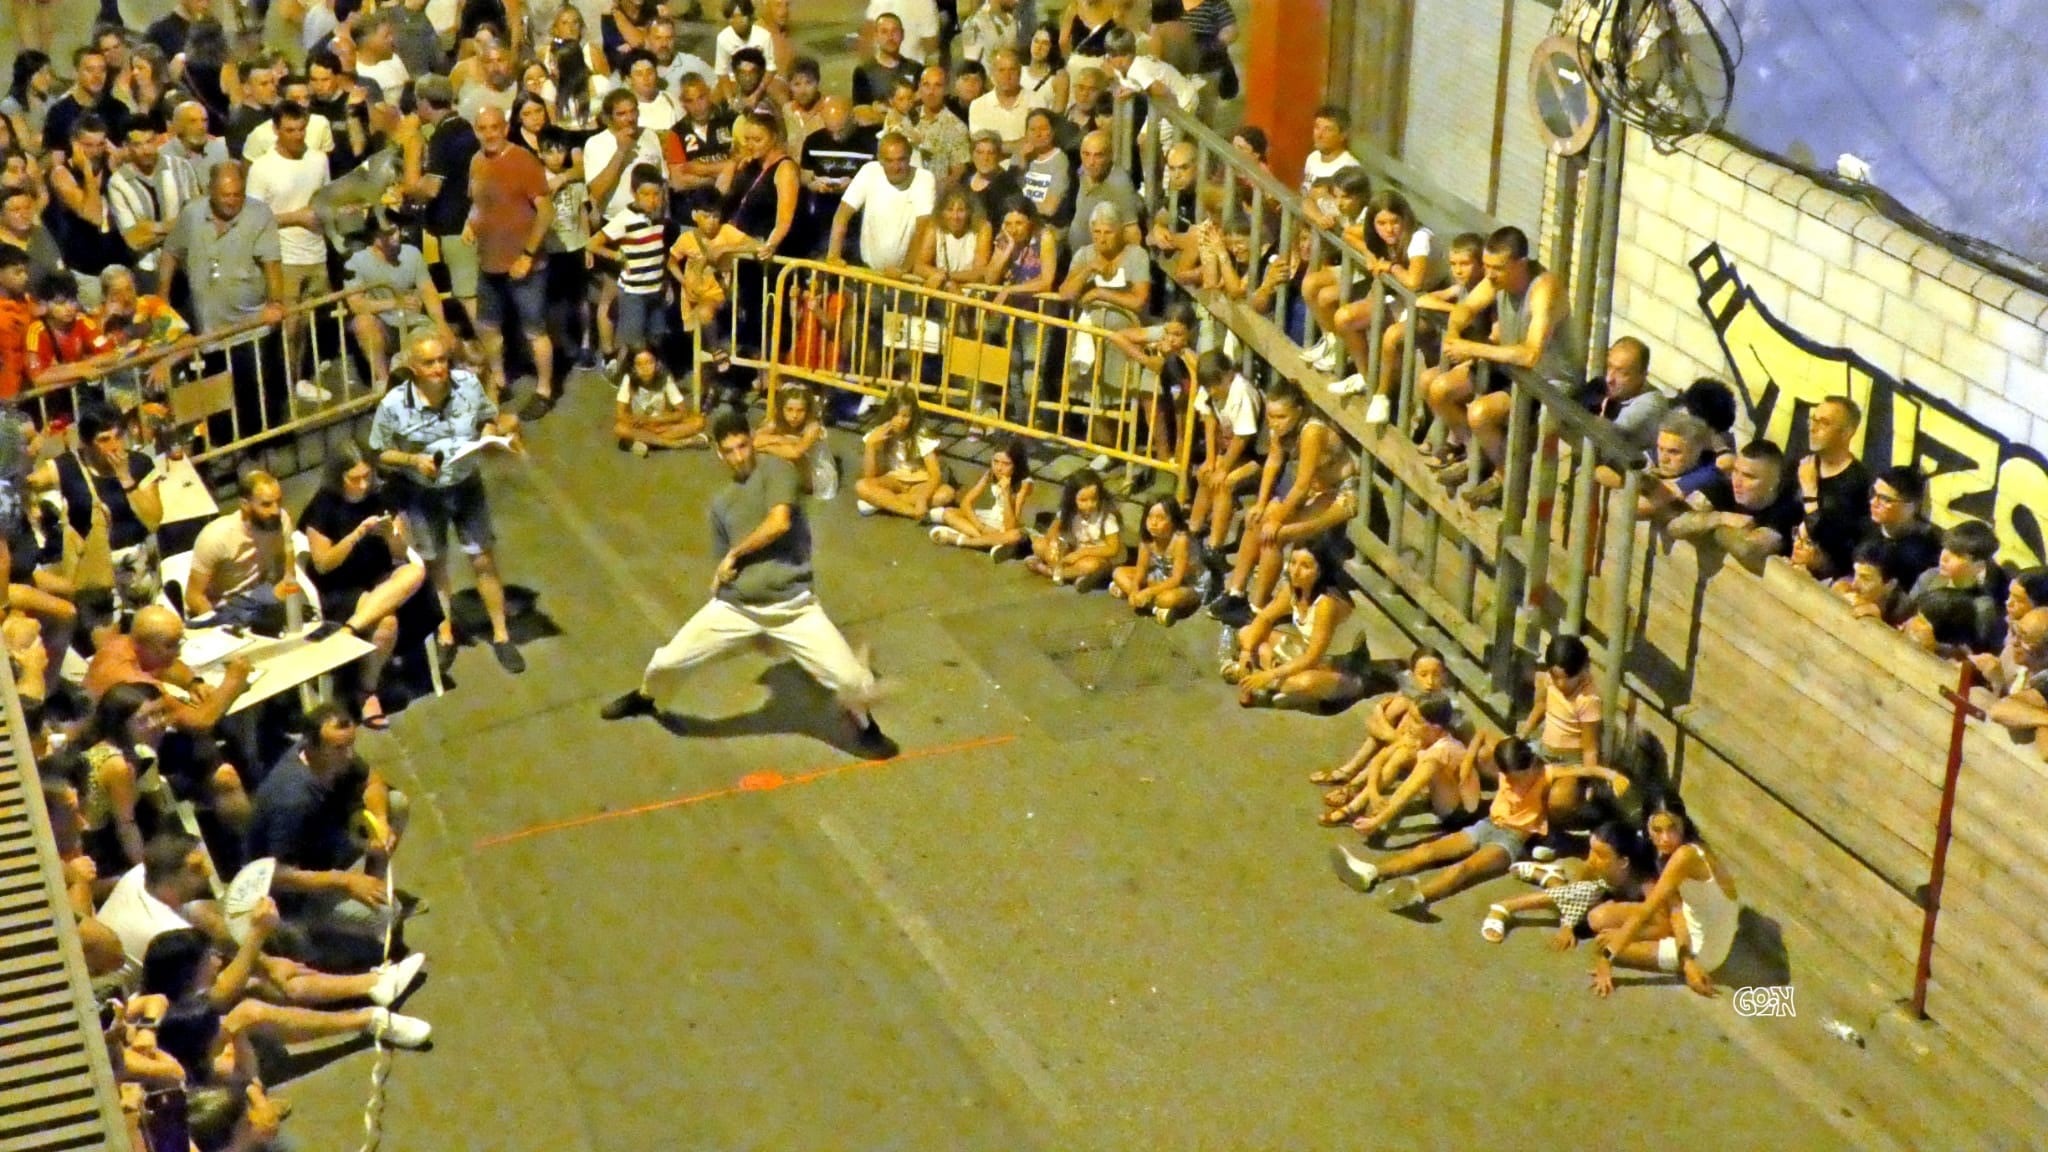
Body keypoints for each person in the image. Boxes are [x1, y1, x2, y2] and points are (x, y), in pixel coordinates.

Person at [598, 410, 898, 757]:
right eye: (730, 451)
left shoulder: (776, 471)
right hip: (737, 607)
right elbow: (725, 560)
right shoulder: (721, 506)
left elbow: (779, 522)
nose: (740, 456)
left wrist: (735, 554)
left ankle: (862, 720)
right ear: (719, 454)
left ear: (752, 440)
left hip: (795, 608)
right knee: (666, 661)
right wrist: (723, 575)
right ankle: (646, 698)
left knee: (853, 682)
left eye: (743, 446)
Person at [368, 331, 527, 673]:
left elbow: (488, 415)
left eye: (443, 360)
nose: (440, 368)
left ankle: (501, 635)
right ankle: (445, 633)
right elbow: (379, 451)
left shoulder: (467, 385)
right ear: (413, 367)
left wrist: (487, 432)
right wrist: (413, 461)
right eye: (430, 362)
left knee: (483, 560)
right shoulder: (394, 405)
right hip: (424, 492)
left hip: (466, 483)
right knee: (437, 564)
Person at [1331, 737, 1629, 915]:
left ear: (1530, 767)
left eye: (1515, 777)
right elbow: (1482, 736)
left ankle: (1418, 895)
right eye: (1506, 777)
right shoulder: (1505, 766)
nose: (1510, 783)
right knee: (1428, 850)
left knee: (1465, 869)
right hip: (1487, 824)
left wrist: (1611, 776)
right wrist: (1470, 757)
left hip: (1511, 841)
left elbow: (1585, 768)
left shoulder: (1545, 773)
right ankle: (1371, 872)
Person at [244, 701, 415, 964]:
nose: (348, 755)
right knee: (388, 913)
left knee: (396, 804)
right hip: (292, 895)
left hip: (325, 846)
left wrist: (380, 821)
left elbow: (372, 780)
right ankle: (311, 941)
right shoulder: (293, 798)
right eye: (338, 748)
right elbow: (276, 875)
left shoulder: (334, 757)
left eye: (351, 745)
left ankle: (372, 889)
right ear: (311, 746)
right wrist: (345, 881)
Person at [1423, 226, 1578, 507]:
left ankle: (1506, 475)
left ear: (1520, 264)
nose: (1490, 274)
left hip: (1545, 380)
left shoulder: (1544, 289)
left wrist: (1471, 348)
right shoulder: (1495, 280)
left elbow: (1531, 355)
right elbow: (1466, 309)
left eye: (1498, 268)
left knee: (1480, 413)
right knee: (1439, 389)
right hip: (1507, 364)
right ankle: (1477, 456)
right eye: (1487, 266)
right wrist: (1454, 334)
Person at [298, 442, 431, 727]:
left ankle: (351, 629)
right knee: (387, 624)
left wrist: (389, 535)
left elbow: (400, 553)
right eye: (354, 478)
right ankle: (366, 693)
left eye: (366, 476)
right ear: (339, 477)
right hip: (341, 586)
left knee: (415, 573)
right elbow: (324, 563)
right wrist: (357, 535)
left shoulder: (381, 496)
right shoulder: (324, 506)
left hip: (377, 578)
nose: (362, 484)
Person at [1588, 796, 1739, 998]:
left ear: (1684, 824)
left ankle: (1652, 944)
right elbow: (1677, 910)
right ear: (1647, 829)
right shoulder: (1677, 851)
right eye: (1657, 830)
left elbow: (1647, 909)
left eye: (1673, 828)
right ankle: (1653, 939)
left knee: (1606, 946)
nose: (1665, 838)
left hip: (1706, 950)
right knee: (1604, 923)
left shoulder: (1686, 856)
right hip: (1694, 929)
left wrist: (1606, 959)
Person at [467, 103, 556, 414]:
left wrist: (528, 255)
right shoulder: (476, 162)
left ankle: (544, 390)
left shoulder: (523, 161)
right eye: (483, 128)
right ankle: (499, 379)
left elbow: (546, 211)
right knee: (488, 325)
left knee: (535, 329)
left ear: (505, 128)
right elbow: (477, 201)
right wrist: (471, 224)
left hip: (524, 262)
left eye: (495, 127)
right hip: (489, 260)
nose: (490, 134)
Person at [1222, 544, 1359, 708]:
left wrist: (1269, 676)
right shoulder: (1294, 590)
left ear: (1320, 572)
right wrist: (1246, 652)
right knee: (1247, 633)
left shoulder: (1326, 603)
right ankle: (1264, 674)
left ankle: (1263, 679)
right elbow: (1264, 618)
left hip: (1339, 666)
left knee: (1304, 682)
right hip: (1306, 652)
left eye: (1305, 566)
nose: (1295, 571)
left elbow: (1312, 657)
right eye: (1293, 563)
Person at [344, 216, 455, 392]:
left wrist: (441, 323)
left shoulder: (411, 253)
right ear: (375, 235)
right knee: (362, 323)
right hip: (385, 327)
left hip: (414, 323)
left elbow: (428, 291)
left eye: (396, 230)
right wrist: (395, 302)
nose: (395, 236)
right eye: (388, 233)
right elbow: (356, 304)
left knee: (448, 341)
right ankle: (384, 381)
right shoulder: (356, 261)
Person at [184, 470, 300, 631]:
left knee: (301, 607)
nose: (275, 510)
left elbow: (288, 574)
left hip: (260, 596)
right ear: (245, 504)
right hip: (224, 608)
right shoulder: (216, 537)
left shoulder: (282, 520)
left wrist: (283, 594)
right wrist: (219, 630)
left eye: (278, 502)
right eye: (266, 504)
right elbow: (193, 596)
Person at [827, 132, 936, 277]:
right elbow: (842, 215)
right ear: (880, 159)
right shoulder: (869, 171)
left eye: (901, 160)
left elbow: (923, 227)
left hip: (907, 278)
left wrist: (903, 270)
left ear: (910, 157)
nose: (896, 166)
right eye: (890, 161)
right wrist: (833, 255)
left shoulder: (924, 178)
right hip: (870, 272)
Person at [1187, 350, 1260, 553]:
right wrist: (1211, 460)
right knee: (1205, 473)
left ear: (1227, 376)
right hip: (1232, 451)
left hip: (1255, 455)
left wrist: (1223, 468)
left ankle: (1214, 545)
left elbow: (1242, 438)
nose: (1211, 392)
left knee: (1224, 482)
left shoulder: (1241, 392)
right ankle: (1193, 529)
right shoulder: (1210, 389)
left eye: (1214, 387)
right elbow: (1209, 419)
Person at [854, 383, 954, 520]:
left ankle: (882, 502)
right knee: (862, 486)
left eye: (906, 416)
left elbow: (935, 475)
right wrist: (870, 446)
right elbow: (869, 476)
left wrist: (922, 499)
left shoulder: (920, 434)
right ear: (888, 413)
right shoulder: (878, 432)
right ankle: (910, 512)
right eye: (896, 415)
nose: (900, 420)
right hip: (893, 480)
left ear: (913, 416)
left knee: (946, 494)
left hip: (918, 483)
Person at [929, 434, 1030, 555]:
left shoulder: (1024, 483)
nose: (999, 468)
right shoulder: (991, 474)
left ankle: (962, 540)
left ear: (1016, 465)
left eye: (1006, 464)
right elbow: (966, 503)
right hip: (991, 521)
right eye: (995, 462)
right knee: (948, 513)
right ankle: (990, 542)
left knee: (1015, 536)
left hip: (1008, 526)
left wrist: (1006, 492)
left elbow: (1011, 526)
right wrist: (980, 527)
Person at [1110, 495, 1201, 625]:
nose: (1153, 523)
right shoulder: (1147, 539)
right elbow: (1141, 571)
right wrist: (1135, 589)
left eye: (1161, 518)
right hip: (1159, 577)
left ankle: (1146, 601)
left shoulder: (1181, 540)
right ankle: (1154, 608)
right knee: (1118, 572)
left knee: (1166, 599)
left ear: (1173, 521)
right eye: (1150, 517)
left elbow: (1176, 579)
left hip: (1185, 584)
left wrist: (1148, 592)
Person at [1025, 468, 1119, 589]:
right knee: (1039, 545)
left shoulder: (1107, 517)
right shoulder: (1069, 512)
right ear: (1072, 498)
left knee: (1090, 565)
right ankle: (1069, 573)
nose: (1089, 504)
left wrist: (1081, 553)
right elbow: (1052, 531)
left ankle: (1050, 571)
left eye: (1094, 499)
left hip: (1098, 557)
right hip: (1074, 551)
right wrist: (1054, 544)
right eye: (1083, 500)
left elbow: (1112, 549)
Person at [613, 345, 707, 454]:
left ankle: (644, 442)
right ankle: (673, 443)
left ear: (657, 363)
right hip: (641, 426)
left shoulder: (665, 378)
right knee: (619, 428)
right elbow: (620, 414)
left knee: (698, 421)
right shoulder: (628, 380)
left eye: (649, 362)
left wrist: (655, 420)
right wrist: (639, 420)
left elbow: (681, 412)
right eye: (639, 364)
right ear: (633, 367)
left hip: (661, 423)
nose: (645, 368)